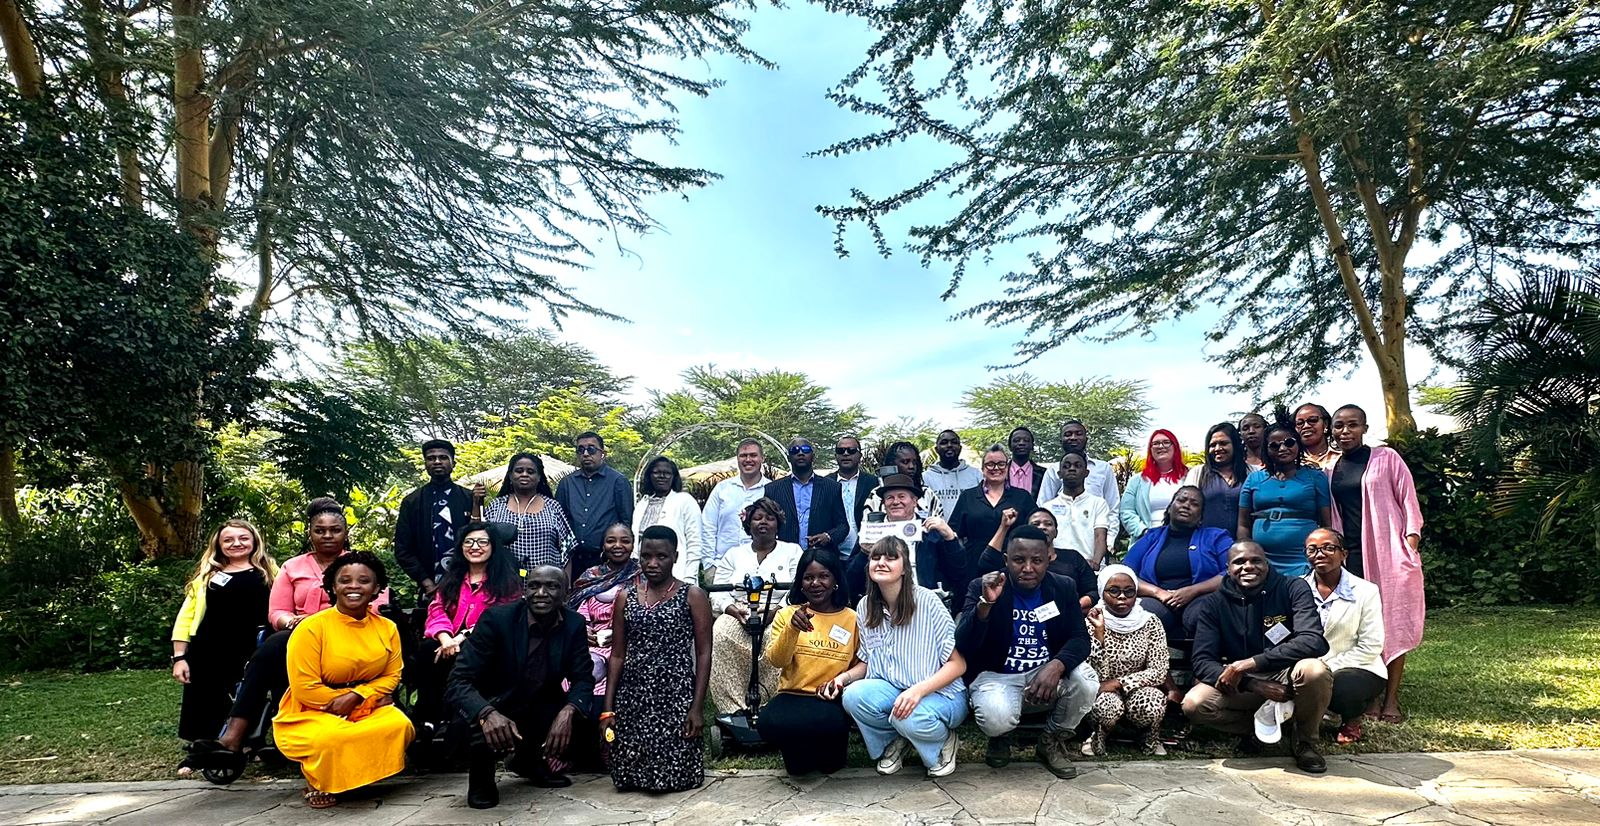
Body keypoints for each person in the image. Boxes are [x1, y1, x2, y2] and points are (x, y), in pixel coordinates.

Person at [185, 498, 389, 770]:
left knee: (277, 645)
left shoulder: (362, 565)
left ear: (345, 532)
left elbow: (377, 605)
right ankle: (232, 739)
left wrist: (325, 622)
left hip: (351, 634)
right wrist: (290, 621)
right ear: (310, 533)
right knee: (271, 647)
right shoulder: (294, 567)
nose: (327, 535)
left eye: (334, 530)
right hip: (299, 634)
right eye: (320, 530)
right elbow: (277, 611)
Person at [447, 565, 597, 809]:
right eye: (534, 585)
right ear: (525, 591)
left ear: (565, 593)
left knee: (581, 711)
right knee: (482, 720)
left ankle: (529, 762)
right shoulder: (498, 619)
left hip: (539, 700)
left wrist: (569, 711)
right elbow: (458, 681)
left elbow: (583, 678)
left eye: (551, 586)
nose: (541, 592)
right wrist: (487, 713)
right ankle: (481, 780)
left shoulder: (574, 624)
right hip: (492, 701)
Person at [272, 552, 414, 809]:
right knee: (332, 739)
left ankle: (354, 778)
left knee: (398, 725)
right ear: (332, 586)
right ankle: (321, 779)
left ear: (376, 589)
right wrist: (346, 702)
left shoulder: (387, 628)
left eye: (363, 581)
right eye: (345, 580)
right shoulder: (311, 628)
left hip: (365, 704)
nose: (354, 587)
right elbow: (305, 688)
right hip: (314, 709)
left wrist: (359, 698)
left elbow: (392, 675)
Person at [956, 526, 1096, 778]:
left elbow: (1079, 637)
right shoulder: (983, 586)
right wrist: (985, 605)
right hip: (997, 675)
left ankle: (1051, 740)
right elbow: (964, 643)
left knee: (1086, 681)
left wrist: (1057, 666)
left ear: (1049, 559)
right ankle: (1001, 737)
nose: (1028, 568)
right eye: (1019, 560)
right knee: (996, 718)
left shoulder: (1063, 587)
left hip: (1045, 673)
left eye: (1037, 560)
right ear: (1006, 560)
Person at [1182, 542, 1332, 774]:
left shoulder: (1292, 587)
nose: (1248, 567)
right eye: (1239, 562)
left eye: (1255, 561)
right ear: (1228, 568)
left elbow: (1313, 640)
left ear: (1266, 562)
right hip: (1246, 683)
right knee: (1195, 704)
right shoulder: (1214, 603)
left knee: (1314, 670)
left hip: (1288, 674)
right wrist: (1252, 683)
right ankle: (1256, 729)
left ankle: (1306, 742)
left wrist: (1251, 663)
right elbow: (1202, 661)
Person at [827, 536, 969, 777]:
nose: (881, 562)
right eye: (876, 557)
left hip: (941, 694)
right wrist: (843, 679)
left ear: (905, 568)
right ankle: (897, 741)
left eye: (891, 558)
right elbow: (868, 660)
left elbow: (958, 665)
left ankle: (944, 740)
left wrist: (918, 691)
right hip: (894, 689)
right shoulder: (865, 606)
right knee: (853, 696)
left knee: (908, 715)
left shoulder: (927, 601)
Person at [1328, 404, 1424, 724]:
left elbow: (1408, 501)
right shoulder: (1333, 469)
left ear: (1365, 428)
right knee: (1361, 628)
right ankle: (1368, 694)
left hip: (1388, 555)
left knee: (1392, 622)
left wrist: (1410, 544)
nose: (1345, 431)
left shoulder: (1386, 459)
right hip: (1351, 557)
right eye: (1339, 426)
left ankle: (1391, 699)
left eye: (1352, 425)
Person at [602, 526, 713, 792]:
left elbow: (704, 652)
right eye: (646, 556)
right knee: (628, 780)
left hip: (675, 696)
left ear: (674, 556)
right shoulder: (625, 597)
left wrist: (697, 707)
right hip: (634, 695)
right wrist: (608, 707)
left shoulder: (692, 596)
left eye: (661, 556)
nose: (652, 563)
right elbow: (617, 654)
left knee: (675, 779)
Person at [171, 520, 280, 758]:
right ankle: (199, 752)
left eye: (243, 538)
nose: (236, 543)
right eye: (228, 540)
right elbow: (185, 617)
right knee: (204, 697)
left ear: (254, 541)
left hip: (255, 646)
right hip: (209, 647)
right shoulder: (207, 576)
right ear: (219, 546)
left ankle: (247, 742)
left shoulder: (271, 572)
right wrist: (180, 657)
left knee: (250, 694)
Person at [758, 548, 859, 775]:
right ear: (800, 583)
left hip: (829, 700)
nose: (816, 583)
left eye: (823, 576)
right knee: (796, 768)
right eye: (808, 577)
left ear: (835, 580)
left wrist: (842, 682)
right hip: (793, 696)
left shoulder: (851, 618)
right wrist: (792, 629)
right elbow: (776, 660)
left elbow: (862, 663)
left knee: (830, 767)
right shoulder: (787, 615)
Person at [415, 522, 522, 726]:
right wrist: (445, 637)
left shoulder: (507, 582)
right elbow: (437, 608)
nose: (475, 546)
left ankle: (461, 716)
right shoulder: (452, 578)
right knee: (428, 650)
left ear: (493, 546)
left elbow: (502, 617)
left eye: (482, 541)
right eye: (469, 542)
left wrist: (461, 637)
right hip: (448, 643)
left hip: (486, 645)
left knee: (464, 656)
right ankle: (428, 719)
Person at [709, 498, 804, 712]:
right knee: (721, 631)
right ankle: (733, 706)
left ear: (778, 524)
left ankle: (771, 703)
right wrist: (733, 610)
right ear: (748, 523)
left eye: (770, 518)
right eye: (758, 518)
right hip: (739, 610)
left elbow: (797, 588)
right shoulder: (734, 554)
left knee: (778, 637)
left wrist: (774, 612)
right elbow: (719, 591)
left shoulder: (792, 551)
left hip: (778, 610)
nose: (763, 522)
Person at [1302, 529, 1387, 745]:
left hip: (1357, 666)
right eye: (1312, 549)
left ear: (1344, 554)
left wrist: (1326, 667)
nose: (1320, 553)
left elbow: (1371, 645)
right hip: (1305, 666)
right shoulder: (1296, 588)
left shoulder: (1366, 591)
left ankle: (1352, 718)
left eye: (1329, 547)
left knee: (1345, 687)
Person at [1121, 486, 1233, 642]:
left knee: (1204, 615)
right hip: (1158, 599)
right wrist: (1159, 593)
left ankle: (1206, 663)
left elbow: (1231, 572)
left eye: (1194, 504)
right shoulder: (1151, 537)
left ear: (1201, 516)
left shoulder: (1216, 537)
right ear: (1169, 508)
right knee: (1145, 616)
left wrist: (1193, 591)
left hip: (1202, 597)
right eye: (1181, 500)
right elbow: (1124, 574)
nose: (1186, 505)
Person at [1084, 564, 1169, 757]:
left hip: (1137, 688)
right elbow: (1092, 674)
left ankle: (1148, 737)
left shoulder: (1150, 622)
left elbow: (1159, 670)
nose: (1122, 597)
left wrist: (1119, 683)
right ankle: (1098, 736)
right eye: (1114, 591)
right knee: (1106, 705)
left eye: (1129, 592)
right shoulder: (1092, 620)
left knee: (1153, 701)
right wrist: (1099, 636)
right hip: (1101, 689)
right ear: (1102, 592)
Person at [845, 474, 963, 605]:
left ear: (914, 501)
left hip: (926, 603)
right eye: (890, 497)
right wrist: (864, 554)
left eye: (902, 496)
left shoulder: (931, 531)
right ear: (884, 503)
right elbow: (850, 582)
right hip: (883, 605)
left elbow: (958, 572)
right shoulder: (871, 531)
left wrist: (950, 537)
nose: (896, 502)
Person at [1238, 423, 1332, 577]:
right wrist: (1246, 554)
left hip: (1304, 557)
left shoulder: (1315, 477)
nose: (1282, 449)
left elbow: (1326, 523)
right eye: (1274, 445)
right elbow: (1243, 524)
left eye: (1289, 443)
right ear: (1267, 450)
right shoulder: (1254, 479)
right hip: (1263, 559)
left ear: (1298, 444)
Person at [394, 438, 475, 603]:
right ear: (425, 464)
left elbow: (481, 541)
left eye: (443, 457)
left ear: (453, 463)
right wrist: (426, 582)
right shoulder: (412, 502)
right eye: (431, 458)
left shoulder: (469, 498)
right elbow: (403, 549)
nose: (437, 461)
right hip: (429, 588)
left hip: (467, 585)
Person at [947, 444, 1037, 592]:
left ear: (1007, 467)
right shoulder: (968, 496)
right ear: (982, 469)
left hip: (1013, 564)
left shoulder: (1022, 497)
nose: (996, 468)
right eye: (990, 464)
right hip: (973, 564)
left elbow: (1033, 531)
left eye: (1001, 464)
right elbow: (955, 532)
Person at [568, 523, 641, 698]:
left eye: (625, 541)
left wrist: (621, 634)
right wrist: (583, 630)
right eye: (611, 541)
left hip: (631, 645)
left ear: (633, 545)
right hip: (592, 643)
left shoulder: (643, 575)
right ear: (603, 545)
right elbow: (576, 610)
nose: (618, 545)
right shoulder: (591, 576)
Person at [979, 508, 1096, 610]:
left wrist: (1072, 607)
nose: (1042, 527)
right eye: (1036, 524)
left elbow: (1093, 591)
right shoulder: (1014, 558)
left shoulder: (1072, 558)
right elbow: (986, 564)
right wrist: (1004, 527)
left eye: (1048, 524)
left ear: (1056, 532)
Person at [484, 452, 577, 575]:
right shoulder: (496, 506)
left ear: (539, 477)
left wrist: (566, 586)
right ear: (510, 476)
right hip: (504, 583)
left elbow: (567, 549)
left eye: (530, 472)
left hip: (546, 584)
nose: (524, 474)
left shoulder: (553, 507)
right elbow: (480, 541)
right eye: (519, 471)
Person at [557, 432, 635, 576]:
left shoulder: (618, 482)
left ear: (602, 453)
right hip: (572, 560)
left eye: (591, 449)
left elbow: (626, 522)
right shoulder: (567, 483)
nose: (586, 454)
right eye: (581, 450)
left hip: (606, 559)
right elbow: (560, 522)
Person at [763, 437, 849, 552]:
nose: (800, 453)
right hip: (784, 557)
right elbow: (767, 525)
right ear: (789, 457)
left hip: (821, 557)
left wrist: (828, 536)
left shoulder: (831, 488)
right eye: (795, 450)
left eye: (805, 450)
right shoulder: (773, 489)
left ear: (813, 456)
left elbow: (843, 526)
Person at [700, 438, 773, 572]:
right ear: (737, 459)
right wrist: (708, 565)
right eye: (743, 456)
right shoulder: (722, 489)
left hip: (761, 566)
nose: (748, 460)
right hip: (722, 566)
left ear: (762, 458)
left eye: (753, 455)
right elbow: (708, 526)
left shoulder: (772, 489)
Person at [1038, 421, 1122, 532]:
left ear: (1086, 439)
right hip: (1061, 535)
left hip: (1096, 534)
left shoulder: (1104, 468)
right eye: (1068, 434)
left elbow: (1112, 507)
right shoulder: (1053, 470)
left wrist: (1109, 541)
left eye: (1078, 433)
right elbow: (1043, 505)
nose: (1073, 437)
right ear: (1061, 441)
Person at [632, 456, 703, 581]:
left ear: (673, 477)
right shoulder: (642, 504)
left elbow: (695, 542)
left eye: (667, 473)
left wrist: (689, 577)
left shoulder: (685, 501)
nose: (662, 476)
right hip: (643, 574)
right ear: (649, 476)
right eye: (657, 473)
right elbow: (635, 541)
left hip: (677, 573)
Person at [1040, 447, 1113, 569]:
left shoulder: (1098, 503)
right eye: (1066, 466)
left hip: (1089, 567)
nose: (1072, 469)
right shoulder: (1048, 507)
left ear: (1086, 473)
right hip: (1056, 568)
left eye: (1077, 465)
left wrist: (1096, 562)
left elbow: (1100, 536)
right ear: (1059, 474)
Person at [1120, 429, 1188, 541]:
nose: (1161, 446)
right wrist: (1144, 532)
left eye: (1166, 442)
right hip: (1147, 539)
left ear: (1174, 446)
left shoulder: (1189, 477)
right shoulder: (1137, 481)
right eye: (1155, 443)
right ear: (1150, 450)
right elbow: (1126, 512)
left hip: (1183, 539)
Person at [1184, 422, 1248, 536]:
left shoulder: (1251, 472)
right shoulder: (1198, 473)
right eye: (1213, 445)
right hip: (1207, 545)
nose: (1218, 448)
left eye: (1223, 443)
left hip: (1245, 546)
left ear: (1235, 444)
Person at [862, 441, 945, 519]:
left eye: (915, 462)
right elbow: (867, 528)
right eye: (905, 462)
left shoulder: (927, 493)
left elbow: (939, 526)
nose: (911, 466)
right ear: (892, 465)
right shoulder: (876, 495)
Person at [828, 435, 879, 560]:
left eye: (851, 450)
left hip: (865, 552)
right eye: (841, 451)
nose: (845, 454)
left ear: (860, 456)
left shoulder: (873, 482)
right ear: (836, 456)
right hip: (833, 552)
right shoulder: (825, 483)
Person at [924, 429, 981, 520]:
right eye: (944, 442)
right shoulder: (925, 477)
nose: (949, 445)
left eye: (954, 442)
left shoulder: (976, 475)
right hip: (936, 532)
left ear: (960, 448)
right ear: (936, 449)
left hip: (969, 532)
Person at [1295, 403, 1341, 470]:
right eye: (1299, 423)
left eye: (1313, 420)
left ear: (1325, 424)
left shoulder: (1342, 455)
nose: (1306, 426)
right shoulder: (1292, 461)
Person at [1006, 427, 1049, 496]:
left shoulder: (1044, 474)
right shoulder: (1000, 472)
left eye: (1026, 440)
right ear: (1009, 446)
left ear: (1032, 446)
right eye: (1016, 440)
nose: (1021, 443)